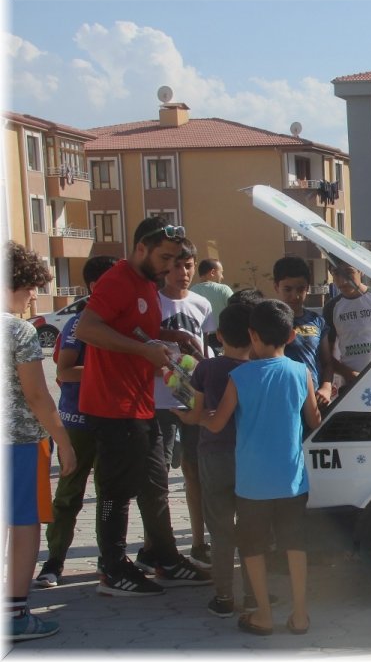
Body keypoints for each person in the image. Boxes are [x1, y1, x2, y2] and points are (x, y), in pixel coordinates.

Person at [74, 217, 212, 595]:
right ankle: (113, 569)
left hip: (140, 401)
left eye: (174, 260)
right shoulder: (117, 280)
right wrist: (144, 350)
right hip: (111, 403)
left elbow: (136, 329)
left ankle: (165, 558)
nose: (169, 267)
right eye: (164, 257)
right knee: (116, 490)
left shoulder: (147, 283)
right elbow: (87, 329)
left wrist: (172, 335)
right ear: (140, 249)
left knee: (154, 482)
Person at [182, 299, 320, 636]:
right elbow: (313, 419)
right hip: (291, 479)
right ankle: (300, 615)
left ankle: (262, 615)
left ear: (252, 334)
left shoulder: (240, 376)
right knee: (295, 544)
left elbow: (217, 425)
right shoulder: (302, 373)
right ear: (290, 335)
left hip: (252, 483)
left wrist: (193, 413)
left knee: (253, 546)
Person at [5, 242, 76, 640]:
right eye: (31, 286)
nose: (35, 295)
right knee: (24, 524)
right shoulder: (18, 330)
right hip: (17, 443)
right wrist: (62, 440)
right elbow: (36, 395)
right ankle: (14, 613)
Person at [34, 255, 118, 589]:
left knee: (111, 495)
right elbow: (64, 372)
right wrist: (109, 372)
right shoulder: (79, 323)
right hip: (79, 422)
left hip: (115, 421)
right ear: (96, 286)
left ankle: (109, 559)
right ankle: (53, 562)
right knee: (69, 493)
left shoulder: (122, 321)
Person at [174, 300, 259, 617]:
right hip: (250, 457)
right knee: (252, 527)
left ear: (219, 335)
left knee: (220, 528)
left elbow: (195, 415)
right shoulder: (257, 370)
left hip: (214, 455)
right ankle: (254, 595)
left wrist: (179, 413)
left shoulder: (206, 369)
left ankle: (224, 597)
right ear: (255, 336)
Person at [152, 241, 212, 569]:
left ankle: (199, 542)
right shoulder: (150, 303)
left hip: (192, 400)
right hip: (158, 401)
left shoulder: (202, 304)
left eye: (188, 266)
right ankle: (158, 545)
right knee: (157, 476)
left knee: (195, 472)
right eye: (176, 266)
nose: (183, 273)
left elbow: (209, 347)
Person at [272, 256, 334, 409]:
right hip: (278, 399)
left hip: (313, 400)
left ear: (308, 288)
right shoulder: (267, 320)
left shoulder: (317, 321)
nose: (295, 295)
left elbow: (327, 362)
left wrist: (326, 388)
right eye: (288, 289)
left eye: (300, 289)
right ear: (276, 287)